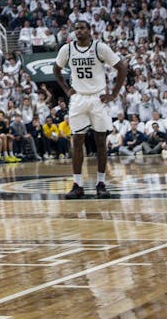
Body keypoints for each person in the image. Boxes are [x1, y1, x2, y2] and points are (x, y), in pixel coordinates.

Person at [54, 20, 128, 199]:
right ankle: (77, 185)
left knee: (100, 142)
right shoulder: (67, 49)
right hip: (78, 98)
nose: (78, 31)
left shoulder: (100, 48)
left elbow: (121, 68)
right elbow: (56, 69)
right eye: (76, 29)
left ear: (89, 30)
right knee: (77, 142)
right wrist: (66, 89)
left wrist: (114, 94)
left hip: (97, 97)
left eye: (82, 28)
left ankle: (101, 183)